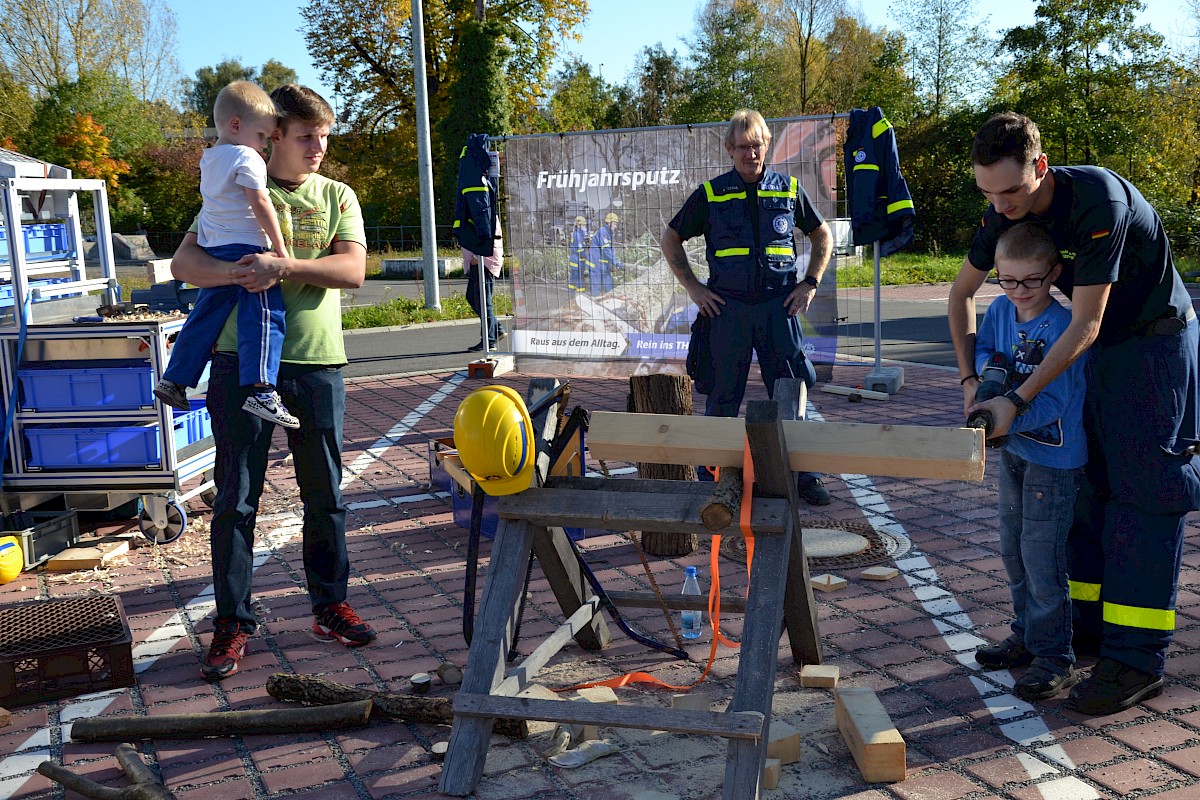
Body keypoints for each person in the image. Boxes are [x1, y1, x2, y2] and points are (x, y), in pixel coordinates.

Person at [949, 112, 1200, 715]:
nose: (1001, 207)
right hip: (1090, 348)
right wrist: (966, 381)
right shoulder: (1002, 207)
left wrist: (1015, 399)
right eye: (987, 193)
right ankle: (1076, 631)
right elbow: (959, 295)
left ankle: (1135, 660)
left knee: (1144, 494)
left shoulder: (1098, 201)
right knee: (1085, 485)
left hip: (1151, 343)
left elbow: (1086, 323)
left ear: (1040, 167)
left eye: (1011, 192)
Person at [170, 84, 377, 681]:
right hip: (240, 365)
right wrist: (241, 272)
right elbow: (184, 266)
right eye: (307, 136)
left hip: (317, 363)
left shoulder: (338, 194)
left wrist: (280, 266)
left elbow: (353, 270)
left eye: (325, 137)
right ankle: (232, 623)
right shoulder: (236, 180)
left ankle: (329, 605)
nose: (319, 148)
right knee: (235, 499)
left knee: (326, 494)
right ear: (275, 136)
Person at [661, 109, 834, 505]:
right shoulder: (711, 193)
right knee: (723, 396)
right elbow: (671, 239)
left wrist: (810, 283)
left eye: (756, 145)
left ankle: (803, 476)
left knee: (790, 393)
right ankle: (715, 481)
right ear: (729, 149)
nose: (750, 154)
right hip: (729, 310)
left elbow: (821, 234)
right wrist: (693, 288)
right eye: (742, 147)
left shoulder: (788, 190)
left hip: (779, 308)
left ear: (766, 145)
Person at [970, 223, 1086, 701]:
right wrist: (986, 375)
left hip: (1054, 460)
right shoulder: (1000, 309)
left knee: (1043, 559)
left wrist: (1003, 416)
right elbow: (983, 348)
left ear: (1053, 274)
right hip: (1017, 453)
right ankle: (1026, 636)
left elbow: (1054, 401)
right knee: (1013, 548)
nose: (1019, 292)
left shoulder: (1062, 326)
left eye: (1032, 281)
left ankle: (1056, 656)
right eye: (1008, 280)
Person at [153, 81, 298, 429]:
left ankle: (175, 379)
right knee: (264, 317)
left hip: (216, 246)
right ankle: (262, 390)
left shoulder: (210, 158)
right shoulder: (246, 156)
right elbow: (260, 202)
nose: (264, 145)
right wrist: (280, 250)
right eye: (262, 135)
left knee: (205, 316)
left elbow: (210, 206)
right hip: (248, 245)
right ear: (236, 126)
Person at [465, 216, 504, 352]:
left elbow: (487, 234)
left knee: (483, 301)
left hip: (484, 261)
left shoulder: (483, 210)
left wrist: (477, 258)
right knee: (474, 297)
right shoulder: (478, 209)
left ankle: (489, 340)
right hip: (481, 261)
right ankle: (497, 329)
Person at [587, 212, 622, 295]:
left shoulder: (609, 233)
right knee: (596, 289)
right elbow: (606, 249)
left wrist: (612, 264)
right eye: (614, 224)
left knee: (609, 287)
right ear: (609, 223)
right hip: (595, 265)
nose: (615, 226)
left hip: (604, 265)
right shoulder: (603, 232)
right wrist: (616, 262)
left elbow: (610, 250)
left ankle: (609, 302)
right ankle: (594, 305)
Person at [567, 215, 589, 294]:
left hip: (575, 260)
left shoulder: (578, 234)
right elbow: (580, 250)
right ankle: (580, 295)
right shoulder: (578, 235)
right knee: (580, 278)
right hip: (578, 261)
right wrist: (588, 258)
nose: (584, 227)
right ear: (579, 225)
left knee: (573, 278)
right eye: (583, 225)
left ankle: (571, 293)